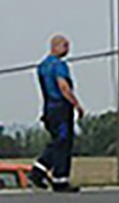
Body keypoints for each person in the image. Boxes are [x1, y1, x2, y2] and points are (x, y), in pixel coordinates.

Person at [29, 35, 85, 193]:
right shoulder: (59, 66)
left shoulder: (42, 66)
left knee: (59, 140)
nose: (68, 49)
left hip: (48, 108)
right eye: (64, 45)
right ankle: (49, 174)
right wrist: (76, 104)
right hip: (60, 107)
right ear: (55, 46)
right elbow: (63, 87)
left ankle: (49, 173)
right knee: (63, 141)